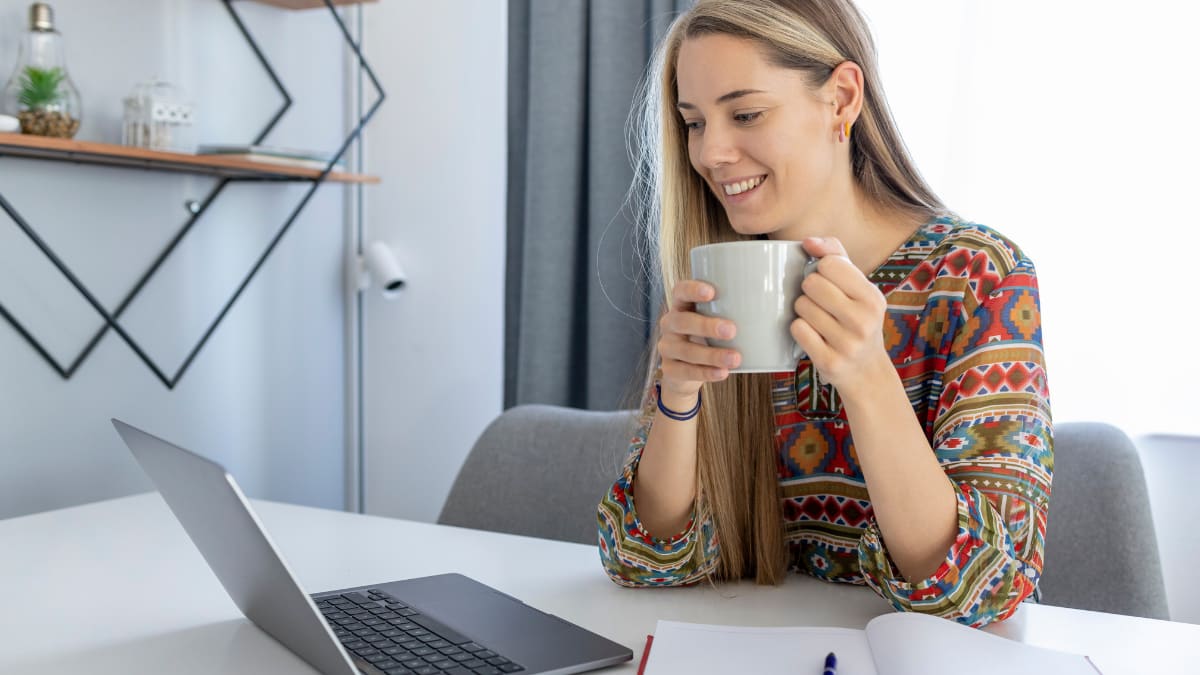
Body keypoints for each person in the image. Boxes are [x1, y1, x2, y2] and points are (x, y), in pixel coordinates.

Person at [596, 0, 1052, 629]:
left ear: (840, 99)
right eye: (694, 122)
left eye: (746, 113)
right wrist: (678, 398)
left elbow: (987, 586)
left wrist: (867, 377)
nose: (712, 153)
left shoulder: (978, 277)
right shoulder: (725, 279)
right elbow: (641, 559)